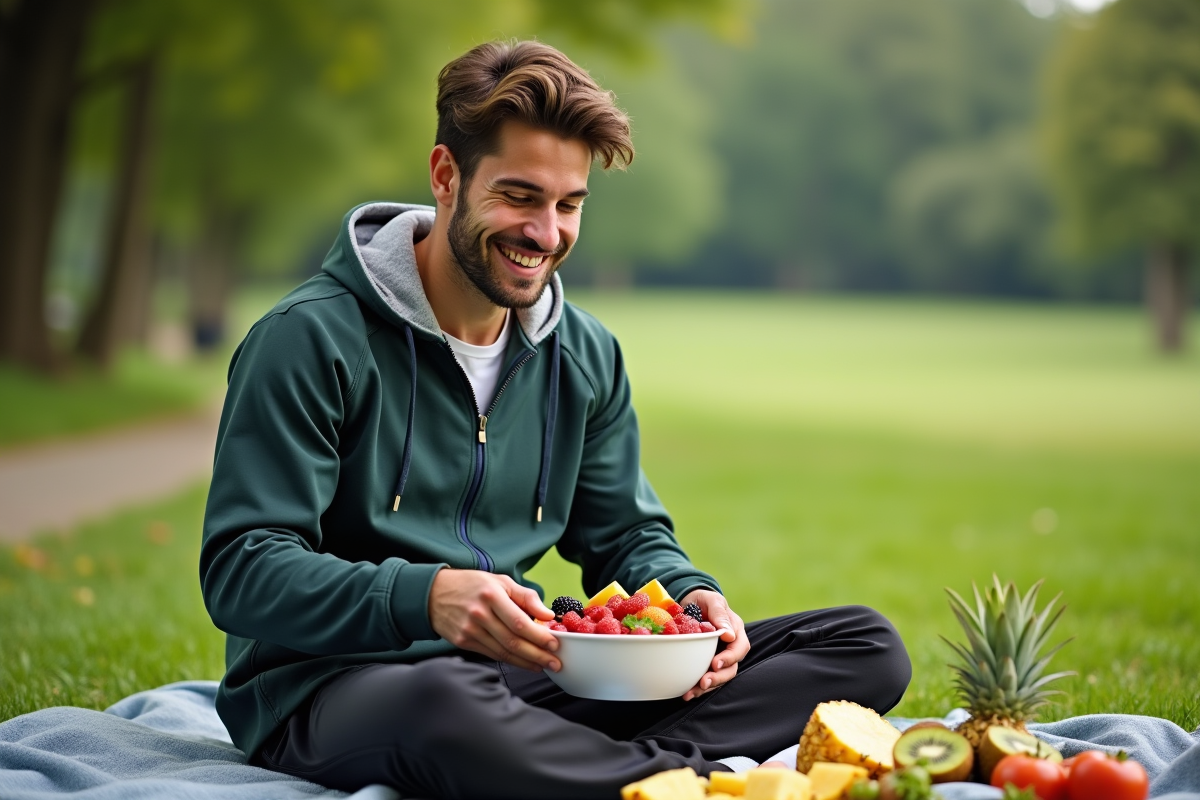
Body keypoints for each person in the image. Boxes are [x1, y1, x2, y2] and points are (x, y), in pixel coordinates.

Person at [199, 40, 911, 800]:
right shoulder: (309, 338)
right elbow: (243, 566)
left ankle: (626, 770)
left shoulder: (586, 353)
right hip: (336, 691)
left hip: (523, 675)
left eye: (568, 205)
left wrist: (688, 597)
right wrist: (425, 595)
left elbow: (625, 536)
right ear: (446, 176)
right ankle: (690, 782)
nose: (545, 233)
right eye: (519, 196)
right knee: (442, 700)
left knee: (864, 645)